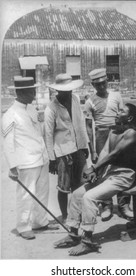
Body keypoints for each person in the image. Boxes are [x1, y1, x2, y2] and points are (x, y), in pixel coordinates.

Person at [54, 103, 136, 256]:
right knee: (77, 194)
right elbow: (105, 152)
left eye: (122, 111)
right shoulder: (114, 131)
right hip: (109, 174)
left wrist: (93, 169)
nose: (117, 112)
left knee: (89, 197)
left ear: (130, 117)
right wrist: (97, 172)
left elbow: (114, 154)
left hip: (124, 176)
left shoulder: (131, 133)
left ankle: (88, 241)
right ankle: (74, 234)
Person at [1, 76, 59, 240]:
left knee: (42, 192)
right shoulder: (10, 115)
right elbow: (8, 143)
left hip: (41, 159)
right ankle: (23, 225)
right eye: (31, 91)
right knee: (26, 195)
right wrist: (12, 167)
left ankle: (39, 222)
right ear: (21, 92)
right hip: (26, 162)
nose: (34, 93)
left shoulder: (31, 109)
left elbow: (38, 134)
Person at [84, 68, 133, 221]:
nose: (101, 86)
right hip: (100, 135)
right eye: (97, 84)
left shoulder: (116, 96)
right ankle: (106, 205)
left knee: (122, 167)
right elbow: (88, 127)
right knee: (102, 169)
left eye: (103, 83)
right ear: (93, 85)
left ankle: (124, 204)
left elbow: (124, 116)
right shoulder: (90, 101)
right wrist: (92, 150)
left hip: (118, 133)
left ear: (107, 81)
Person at [44, 73, 90, 223]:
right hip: (63, 152)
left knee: (81, 183)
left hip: (78, 149)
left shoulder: (75, 99)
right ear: (58, 90)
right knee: (64, 186)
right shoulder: (51, 108)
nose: (68, 93)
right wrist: (52, 158)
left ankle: (78, 213)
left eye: (70, 90)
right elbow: (48, 134)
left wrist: (85, 145)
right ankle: (64, 215)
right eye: (64, 90)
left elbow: (81, 123)